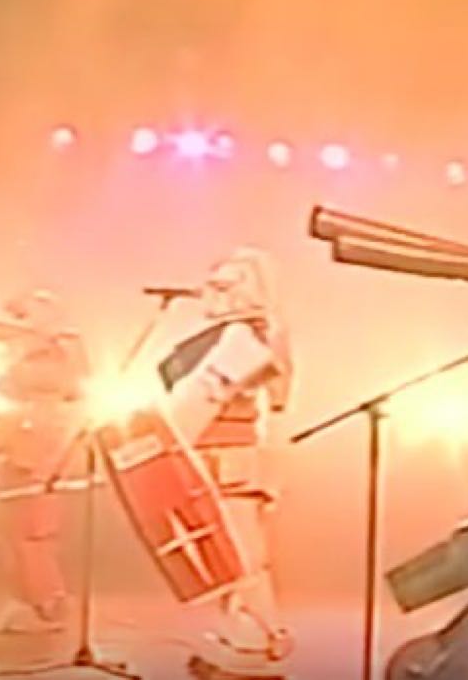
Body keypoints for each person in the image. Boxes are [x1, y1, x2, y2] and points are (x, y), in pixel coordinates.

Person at [159, 249, 294, 678]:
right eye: (212, 284)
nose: (212, 293)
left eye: (224, 285)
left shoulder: (247, 335)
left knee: (240, 556)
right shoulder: (237, 334)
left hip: (231, 458)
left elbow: (205, 395)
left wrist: (164, 437)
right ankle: (244, 637)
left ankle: (266, 636)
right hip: (215, 454)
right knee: (227, 554)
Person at [0, 288, 87, 634]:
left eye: (24, 315)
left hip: (44, 448)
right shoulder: (20, 352)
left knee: (35, 529)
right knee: (13, 529)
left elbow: (69, 389)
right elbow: (2, 392)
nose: (18, 322)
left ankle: (47, 602)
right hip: (14, 443)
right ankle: (26, 597)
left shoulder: (62, 349)